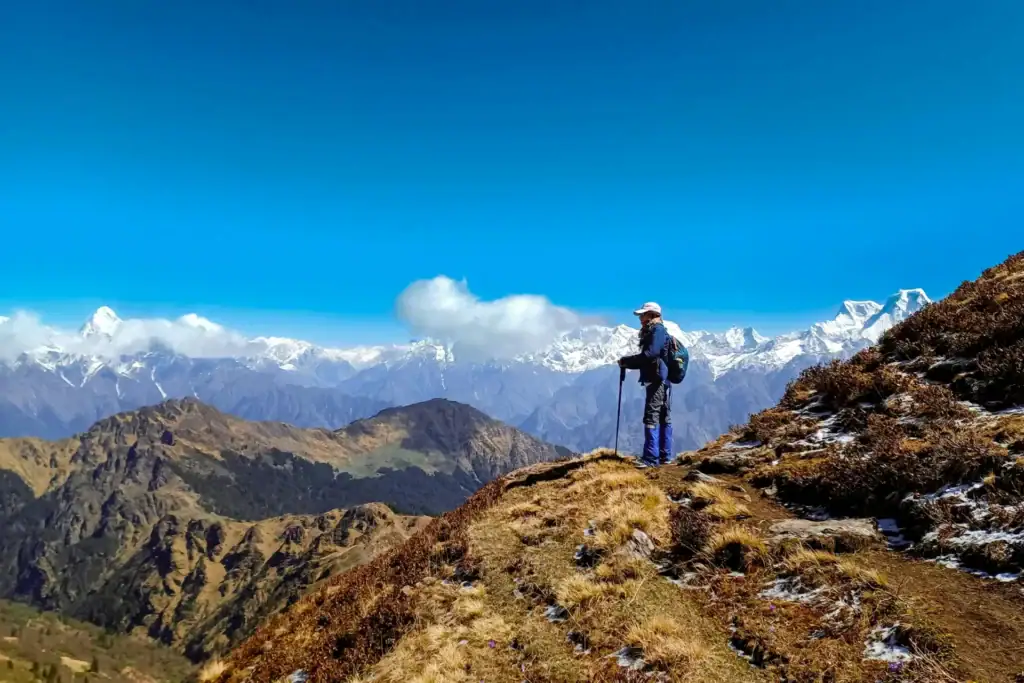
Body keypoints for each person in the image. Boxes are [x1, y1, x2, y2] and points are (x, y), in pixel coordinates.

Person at [618, 302, 673, 467]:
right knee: (664, 416)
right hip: (663, 379)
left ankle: (651, 459)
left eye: (643, 315)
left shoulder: (657, 331)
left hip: (656, 379)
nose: (641, 319)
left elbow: (651, 354)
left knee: (651, 416)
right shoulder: (660, 331)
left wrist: (627, 362)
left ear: (652, 315)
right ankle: (665, 456)